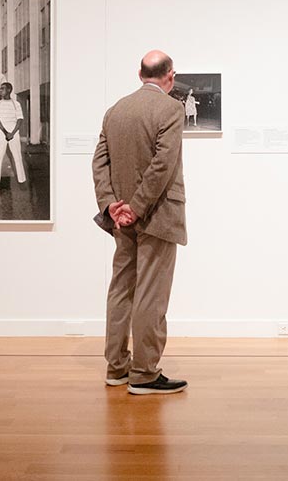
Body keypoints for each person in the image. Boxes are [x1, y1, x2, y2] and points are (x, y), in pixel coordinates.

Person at [92, 50, 188, 395]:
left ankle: (116, 367)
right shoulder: (171, 108)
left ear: (139, 74)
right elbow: (163, 164)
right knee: (151, 294)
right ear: (170, 76)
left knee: (121, 288)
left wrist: (112, 206)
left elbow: (99, 163)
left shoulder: (115, 110)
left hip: (121, 218)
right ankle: (144, 373)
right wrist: (137, 206)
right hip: (156, 215)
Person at [0, 82, 27, 186]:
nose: (0, 91)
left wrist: (12, 133)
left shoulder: (16, 104)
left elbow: (20, 119)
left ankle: (22, 180)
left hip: (14, 133)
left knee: (17, 156)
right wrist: (5, 132)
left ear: (9, 90)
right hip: (2, 133)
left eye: (2, 89)